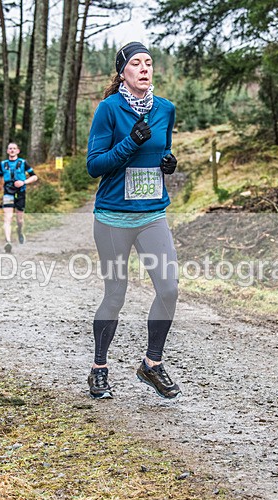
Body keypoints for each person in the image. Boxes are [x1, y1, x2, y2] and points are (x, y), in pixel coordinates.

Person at [85, 42, 181, 400]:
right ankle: (99, 369)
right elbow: (94, 165)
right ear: (122, 71)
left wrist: (168, 163)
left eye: (149, 63)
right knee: (115, 295)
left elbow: (163, 150)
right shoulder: (109, 110)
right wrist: (128, 144)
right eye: (136, 63)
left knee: (169, 289)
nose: (144, 68)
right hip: (113, 217)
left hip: (152, 214)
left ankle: (151, 365)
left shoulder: (166, 109)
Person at [0, 143, 38, 253]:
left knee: (19, 220)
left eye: (14, 149)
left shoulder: (23, 163)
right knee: (8, 217)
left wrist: (24, 182)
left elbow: (34, 177)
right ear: (7, 151)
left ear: (18, 151)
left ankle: (19, 231)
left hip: (20, 192)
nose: (12, 150)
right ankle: (8, 242)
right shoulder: (3, 164)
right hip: (8, 192)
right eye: (10, 149)